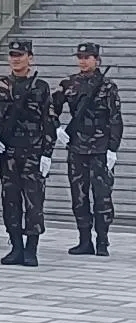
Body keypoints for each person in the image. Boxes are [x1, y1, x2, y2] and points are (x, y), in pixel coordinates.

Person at [0, 39, 56, 267]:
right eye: (13, 55)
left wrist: (47, 152)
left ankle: (31, 248)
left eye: (21, 54)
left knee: (34, 202)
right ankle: (16, 246)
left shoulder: (40, 87)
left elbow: (49, 119)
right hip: (8, 152)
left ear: (30, 58)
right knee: (10, 201)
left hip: (33, 151)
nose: (16, 59)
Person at [53, 41, 123, 257]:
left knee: (102, 196)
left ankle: (102, 240)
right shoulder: (69, 83)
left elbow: (115, 118)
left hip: (100, 149)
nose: (83, 61)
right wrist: (57, 129)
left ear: (97, 60)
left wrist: (113, 148)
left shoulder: (108, 86)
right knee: (79, 196)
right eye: (80, 57)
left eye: (88, 57)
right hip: (77, 148)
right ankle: (85, 240)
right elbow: (50, 108)